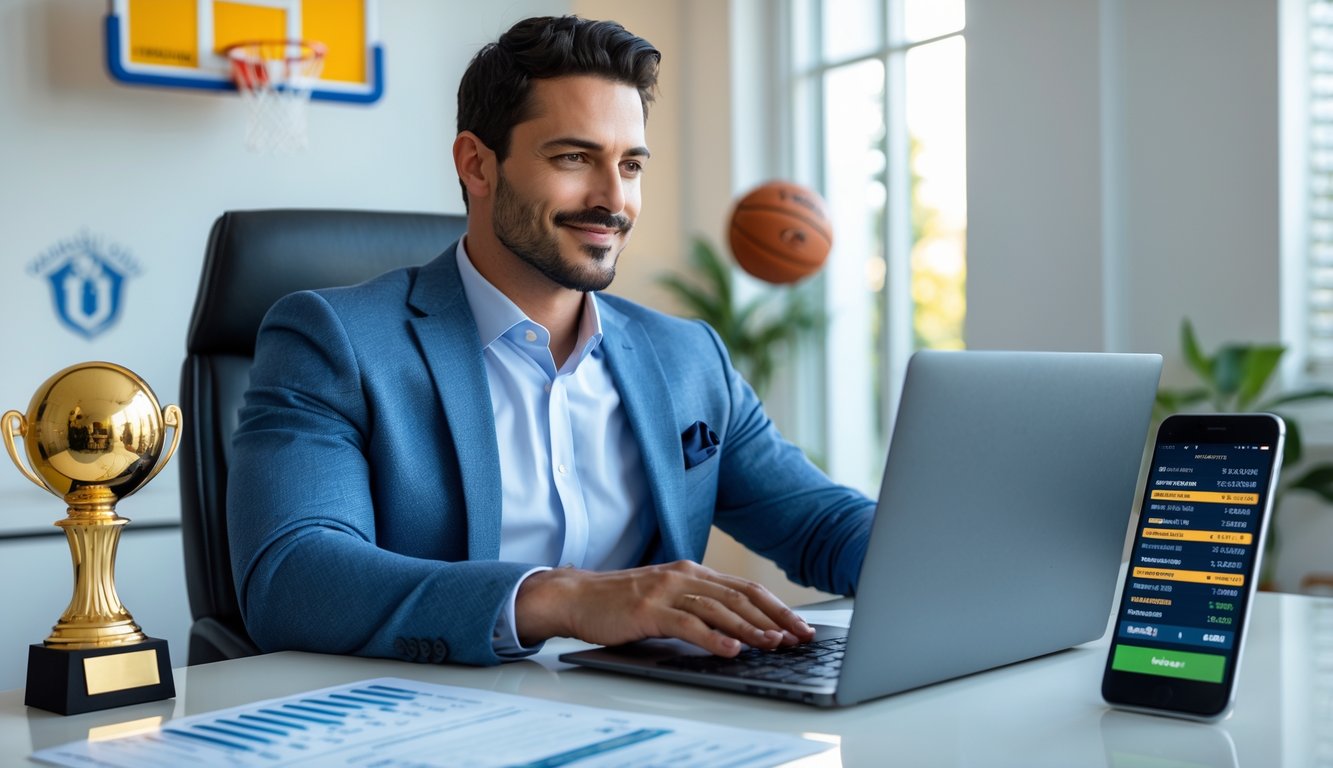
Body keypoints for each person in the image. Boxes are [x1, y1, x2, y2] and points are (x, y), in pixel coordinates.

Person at [228, 15, 874, 667]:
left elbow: (820, 525)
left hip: (658, 723)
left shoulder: (686, 358)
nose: (612, 199)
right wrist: (561, 597)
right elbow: (293, 578)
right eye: (574, 158)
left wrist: (952, 554)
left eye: (630, 164)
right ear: (476, 165)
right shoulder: (332, 340)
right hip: (434, 724)